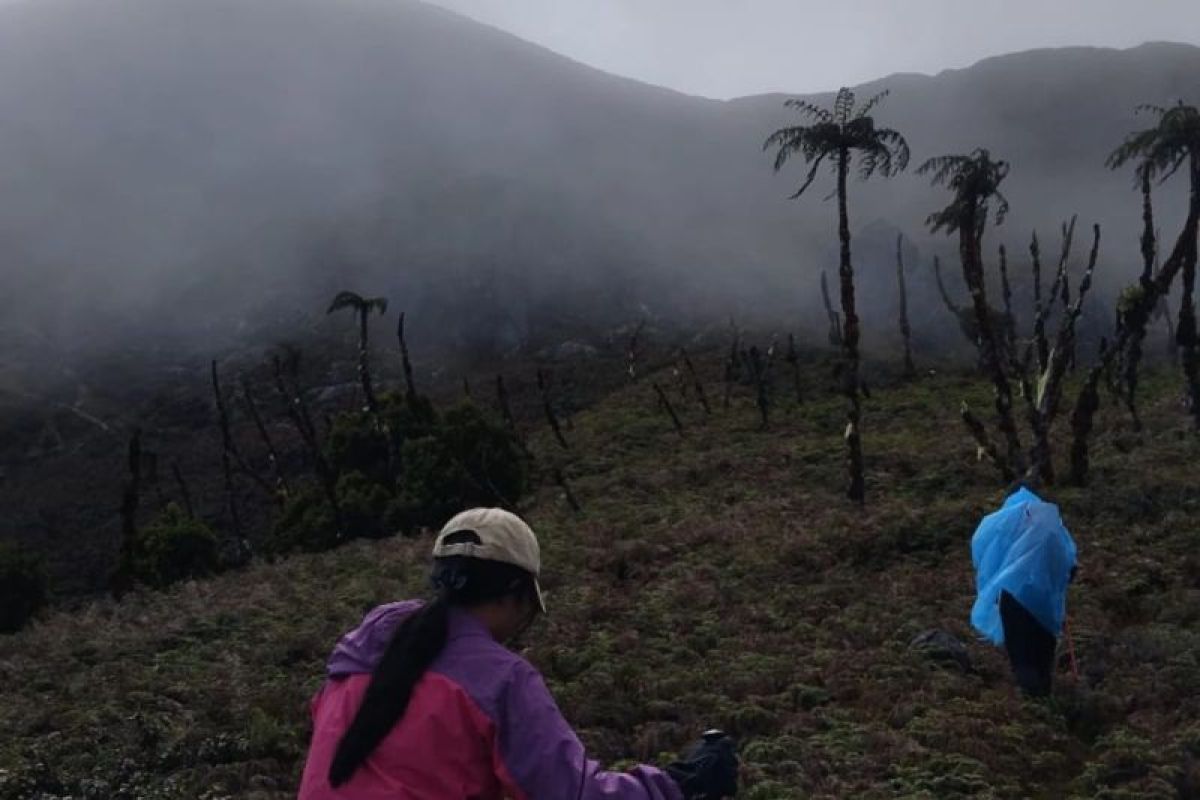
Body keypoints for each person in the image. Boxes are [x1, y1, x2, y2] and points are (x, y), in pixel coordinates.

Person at [297, 507, 738, 799]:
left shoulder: (360, 655)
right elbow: (570, 794)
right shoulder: (501, 680)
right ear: (515, 594)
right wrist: (680, 784)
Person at [970, 485, 1078, 696]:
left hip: (1013, 602)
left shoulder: (1005, 524)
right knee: (1042, 661)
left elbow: (984, 552)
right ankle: (1045, 707)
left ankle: (1031, 712)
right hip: (1046, 608)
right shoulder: (1055, 530)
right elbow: (1070, 567)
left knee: (1022, 658)